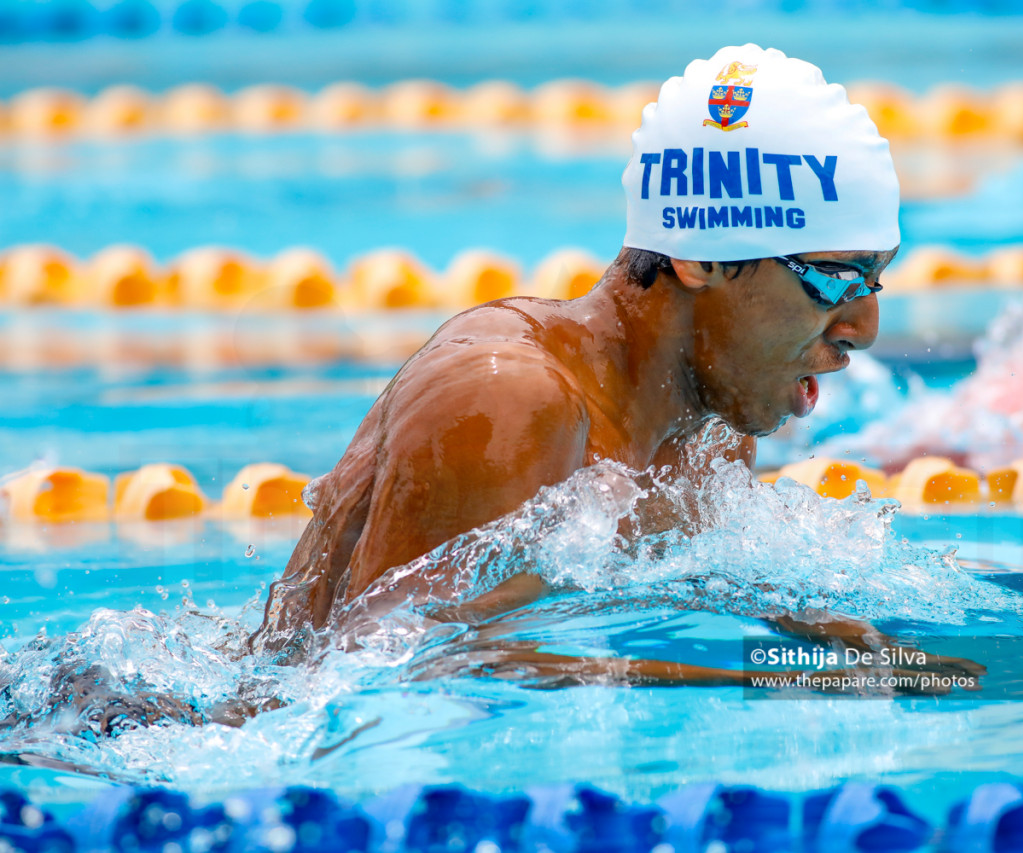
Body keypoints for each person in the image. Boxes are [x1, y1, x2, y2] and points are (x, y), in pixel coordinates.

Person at [246, 45, 981, 691]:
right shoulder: (505, 399)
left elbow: (698, 582)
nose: (863, 327)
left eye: (874, 278)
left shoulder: (708, 435)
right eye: (832, 277)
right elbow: (393, 674)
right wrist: (775, 679)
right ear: (701, 256)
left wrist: (857, 643)